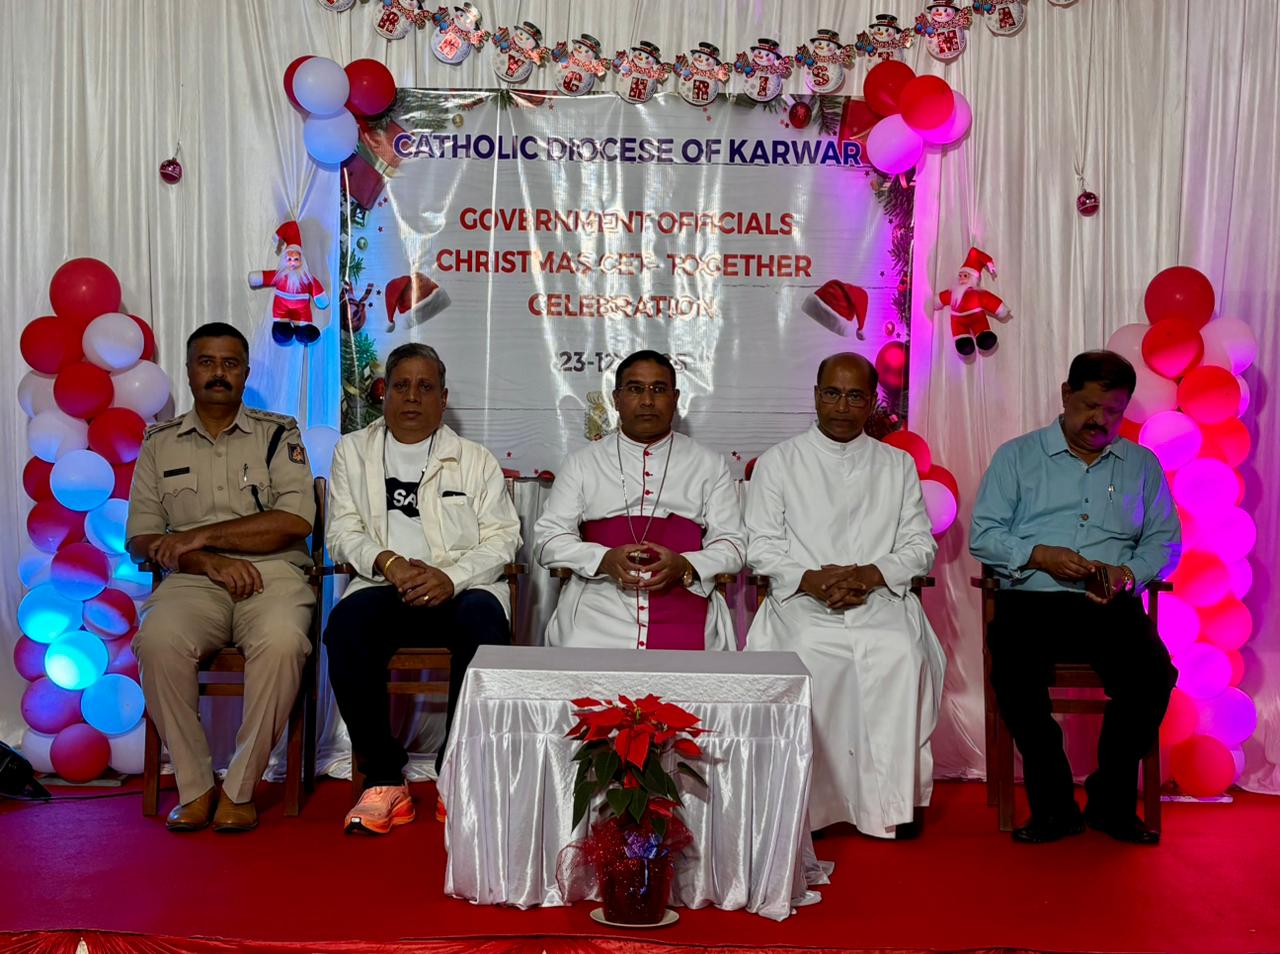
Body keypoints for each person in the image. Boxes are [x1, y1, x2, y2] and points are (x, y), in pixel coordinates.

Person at [970, 350, 1180, 845]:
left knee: (1153, 677)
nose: (1099, 420)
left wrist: (1127, 573)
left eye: (1113, 411)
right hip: (1031, 601)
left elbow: (1165, 543)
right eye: (1089, 406)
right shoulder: (1016, 456)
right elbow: (984, 535)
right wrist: (1038, 555)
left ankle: (1110, 802)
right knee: (1014, 678)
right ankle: (1054, 806)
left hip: (1108, 605)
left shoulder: (1142, 465)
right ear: (1066, 395)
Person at [745, 353, 944, 839]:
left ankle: (891, 805)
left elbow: (920, 545)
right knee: (809, 652)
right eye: (832, 394)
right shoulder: (779, 461)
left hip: (879, 599)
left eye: (855, 396)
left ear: (872, 402)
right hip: (801, 602)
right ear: (816, 396)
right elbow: (761, 545)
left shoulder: (897, 465)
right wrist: (812, 580)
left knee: (899, 652)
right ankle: (810, 807)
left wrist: (870, 575)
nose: (841, 406)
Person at [127, 322, 316, 833]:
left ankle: (239, 787)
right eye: (207, 362)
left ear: (246, 373)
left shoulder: (278, 434)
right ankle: (196, 786)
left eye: (230, 364)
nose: (218, 373)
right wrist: (206, 560)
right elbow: (141, 537)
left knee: (283, 642)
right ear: (189, 371)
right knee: (157, 641)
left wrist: (199, 536)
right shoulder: (159, 443)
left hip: (272, 574)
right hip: (193, 580)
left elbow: (295, 521)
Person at [324, 343, 520, 835]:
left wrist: (451, 577)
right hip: (383, 583)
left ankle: (457, 772)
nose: (412, 396)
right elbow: (342, 530)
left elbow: (503, 538)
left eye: (425, 386)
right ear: (384, 393)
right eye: (402, 385)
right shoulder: (353, 451)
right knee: (345, 626)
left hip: (460, 586)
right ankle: (385, 779)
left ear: (443, 398)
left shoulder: (474, 459)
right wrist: (389, 563)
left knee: (485, 622)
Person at [533, 350, 745, 650]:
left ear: (675, 398)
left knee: (700, 655)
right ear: (616, 399)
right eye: (635, 389)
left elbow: (733, 544)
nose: (647, 400)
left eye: (659, 389)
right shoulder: (582, 463)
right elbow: (548, 539)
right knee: (578, 645)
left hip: (684, 596)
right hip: (600, 602)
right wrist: (602, 559)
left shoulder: (708, 464)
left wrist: (685, 564)